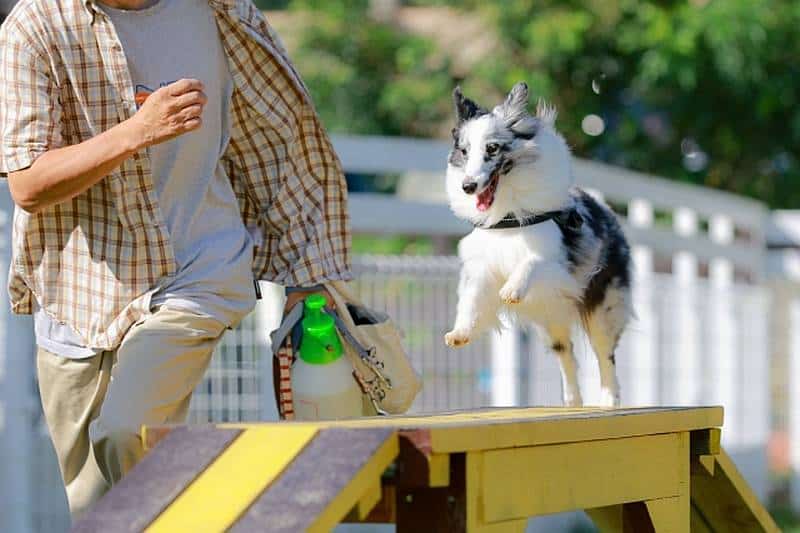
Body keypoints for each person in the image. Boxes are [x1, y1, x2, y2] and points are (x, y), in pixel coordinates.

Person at [0, 0, 351, 520]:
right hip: (77, 295)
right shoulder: (33, 26)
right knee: (98, 510)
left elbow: (281, 142)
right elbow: (28, 183)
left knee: (127, 431)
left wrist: (308, 275)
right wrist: (137, 131)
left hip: (197, 271)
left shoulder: (219, 11)